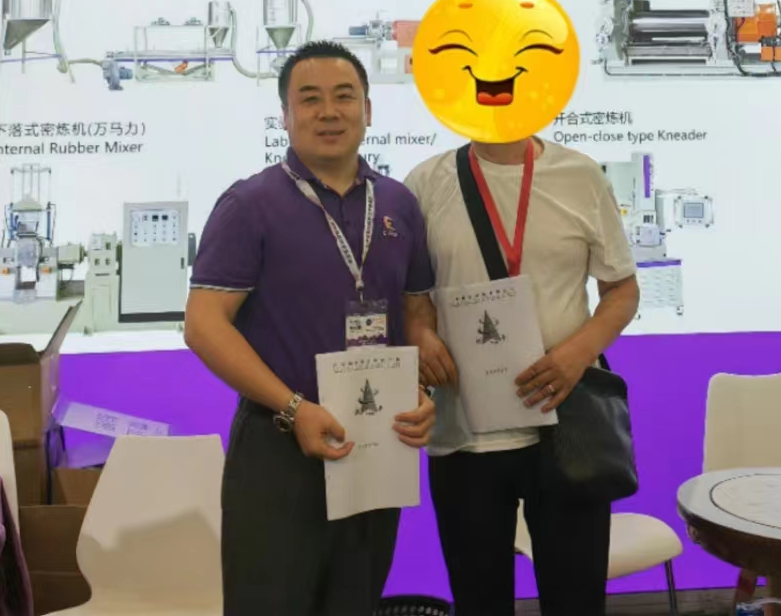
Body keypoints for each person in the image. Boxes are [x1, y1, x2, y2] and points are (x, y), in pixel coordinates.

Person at [185, 42, 437, 616]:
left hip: (375, 443)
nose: (329, 112)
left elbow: (416, 316)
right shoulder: (249, 205)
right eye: (310, 99)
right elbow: (203, 326)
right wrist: (295, 408)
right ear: (286, 115)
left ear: (368, 110)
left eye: (344, 96)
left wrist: (419, 390)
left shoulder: (398, 204)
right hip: (280, 447)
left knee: (356, 602)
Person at [404, 132, 640, 616]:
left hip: (567, 425)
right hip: (465, 431)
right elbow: (411, 296)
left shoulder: (580, 175)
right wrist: (420, 335)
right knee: (478, 600)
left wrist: (576, 355)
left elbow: (622, 290)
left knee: (576, 601)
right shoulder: (426, 182)